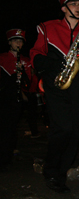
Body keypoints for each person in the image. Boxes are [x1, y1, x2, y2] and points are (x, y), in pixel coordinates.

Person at [30, 0, 79, 193]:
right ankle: (52, 171)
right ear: (64, 8)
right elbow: (35, 54)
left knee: (73, 133)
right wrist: (51, 64)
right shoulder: (48, 27)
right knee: (62, 128)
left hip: (76, 86)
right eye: (74, 3)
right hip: (55, 84)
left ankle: (59, 174)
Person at [0, 29, 32, 171]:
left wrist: (22, 72)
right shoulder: (2, 58)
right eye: (15, 40)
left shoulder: (25, 61)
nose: (18, 43)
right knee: (4, 127)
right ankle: (4, 157)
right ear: (9, 43)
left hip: (17, 98)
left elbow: (28, 82)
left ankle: (9, 153)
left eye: (20, 41)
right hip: (4, 97)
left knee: (13, 127)